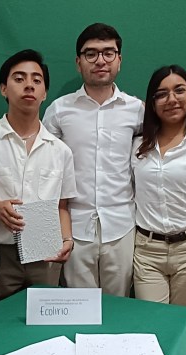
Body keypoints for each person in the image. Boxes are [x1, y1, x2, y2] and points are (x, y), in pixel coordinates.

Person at [42, 23, 144, 297]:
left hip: (122, 226)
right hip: (73, 227)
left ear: (119, 60)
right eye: (91, 54)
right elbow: (41, 164)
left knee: (119, 307)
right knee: (78, 307)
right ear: (79, 62)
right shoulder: (59, 110)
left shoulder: (137, 110)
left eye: (108, 53)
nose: (100, 60)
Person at [0, 50, 77, 303]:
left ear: (44, 93)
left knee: (46, 318)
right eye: (19, 79)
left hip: (44, 251)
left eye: (36, 80)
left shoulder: (60, 151)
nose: (29, 85)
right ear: (3, 89)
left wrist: (67, 239)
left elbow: (62, 206)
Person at [131, 65, 186, 310]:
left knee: (181, 325)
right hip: (147, 251)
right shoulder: (136, 146)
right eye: (161, 94)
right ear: (152, 103)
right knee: (152, 324)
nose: (171, 99)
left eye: (179, 90)